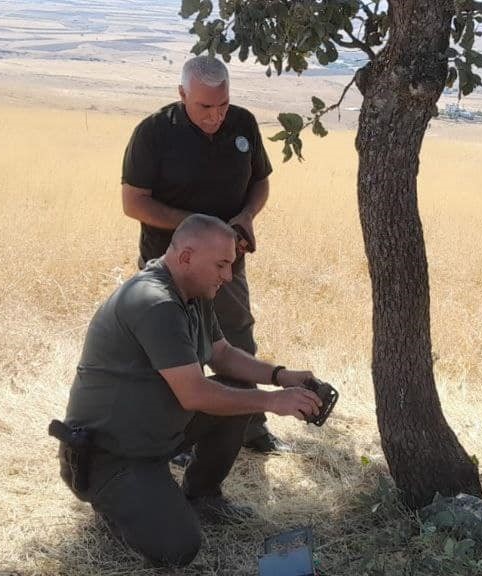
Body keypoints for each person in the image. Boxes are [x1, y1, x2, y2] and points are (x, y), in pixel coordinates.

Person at [60, 214, 323, 568]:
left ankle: (202, 497)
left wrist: (281, 376)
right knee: (178, 548)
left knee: (238, 388)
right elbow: (195, 394)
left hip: (153, 433)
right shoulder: (155, 303)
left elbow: (223, 355)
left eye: (231, 265)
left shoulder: (192, 291)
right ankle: (115, 503)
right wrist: (274, 402)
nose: (228, 276)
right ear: (186, 257)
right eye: (221, 264)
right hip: (109, 454)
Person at [120, 54, 288, 455]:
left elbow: (260, 182)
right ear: (182, 95)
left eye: (223, 104)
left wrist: (246, 217)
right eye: (204, 107)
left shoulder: (243, 124)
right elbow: (133, 203)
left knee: (236, 339)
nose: (216, 116)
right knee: (172, 351)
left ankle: (249, 429)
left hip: (227, 265)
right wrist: (196, 225)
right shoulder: (153, 133)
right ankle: (172, 439)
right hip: (169, 268)